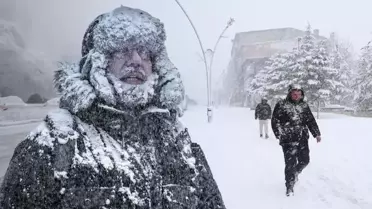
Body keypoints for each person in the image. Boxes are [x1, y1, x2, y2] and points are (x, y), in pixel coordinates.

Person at [0, 6, 225, 208]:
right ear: (97, 62)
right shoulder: (51, 146)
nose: (136, 60)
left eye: (145, 53)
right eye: (122, 49)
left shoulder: (178, 142)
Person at [271, 85, 321, 196]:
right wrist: (279, 134)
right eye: (294, 93)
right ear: (289, 93)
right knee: (290, 163)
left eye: (299, 93)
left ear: (301, 95)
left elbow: (310, 120)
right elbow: (275, 120)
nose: (296, 95)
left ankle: (295, 173)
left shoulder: (304, 105)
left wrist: (316, 133)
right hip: (288, 139)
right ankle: (289, 186)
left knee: (305, 160)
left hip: (302, 138)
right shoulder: (282, 105)